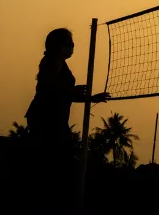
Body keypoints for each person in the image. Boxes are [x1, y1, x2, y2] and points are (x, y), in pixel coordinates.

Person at [24, 28, 107, 160]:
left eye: (72, 44)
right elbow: (49, 86)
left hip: (55, 118)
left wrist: (91, 98)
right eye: (68, 44)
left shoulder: (60, 63)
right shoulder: (51, 61)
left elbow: (65, 94)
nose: (72, 47)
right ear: (57, 45)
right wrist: (72, 90)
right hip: (47, 117)